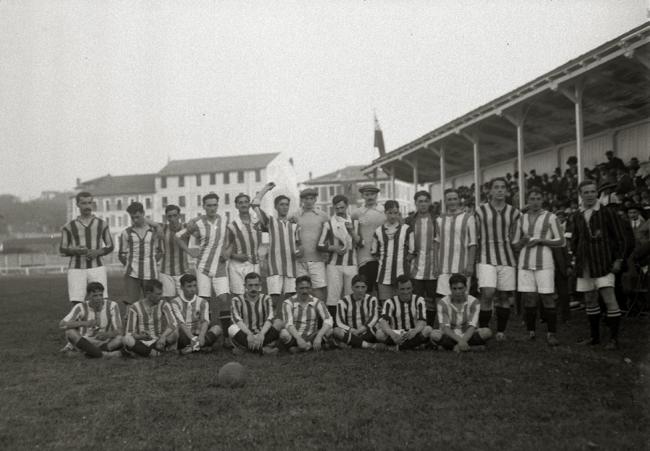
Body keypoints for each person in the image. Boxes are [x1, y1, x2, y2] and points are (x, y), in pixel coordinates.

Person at [570, 180, 627, 349]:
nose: (590, 195)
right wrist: (576, 257)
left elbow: (621, 239)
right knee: (590, 300)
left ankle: (613, 339)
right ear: (580, 194)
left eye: (593, 191)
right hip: (585, 264)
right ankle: (594, 337)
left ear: (597, 194)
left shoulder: (607, 212)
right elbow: (575, 240)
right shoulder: (577, 215)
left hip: (604, 262)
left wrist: (619, 259)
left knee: (609, 299)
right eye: (586, 192)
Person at [174, 193, 231, 340]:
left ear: (218, 205)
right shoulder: (197, 223)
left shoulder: (223, 219)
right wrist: (189, 251)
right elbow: (178, 237)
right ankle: (206, 335)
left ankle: (226, 338)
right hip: (203, 266)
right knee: (205, 301)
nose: (212, 208)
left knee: (224, 299)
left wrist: (227, 250)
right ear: (204, 206)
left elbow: (230, 238)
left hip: (219, 266)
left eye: (214, 205)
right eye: (209, 205)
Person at [513, 188, 565, 346]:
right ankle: (531, 331)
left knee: (547, 297)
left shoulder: (551, 217)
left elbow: (561, 241)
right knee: (529, 298)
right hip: (525, 263)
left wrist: (541, 241)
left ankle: (551, 333)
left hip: (545, 263)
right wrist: (523, 241)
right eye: (532, 198)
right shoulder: (521, 219)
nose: (535, 202)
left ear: (542, 200)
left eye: (538, 198)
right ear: (527, 200)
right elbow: (515, 245)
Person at [475, 177, 521, 341]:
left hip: (507, 258)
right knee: (487, 293)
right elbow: (475, 235)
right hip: (486, 257)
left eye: (503, 187)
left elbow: (516, 238)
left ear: (507, 191)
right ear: (490, 191)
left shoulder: (514, 212)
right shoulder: (480, 211)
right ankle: (483, 328)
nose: (500, 190)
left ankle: (501, 331)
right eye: (496, 187)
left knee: (503, 296)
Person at [251, 182, 301, 311]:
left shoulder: (294, 224)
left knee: (290, 301)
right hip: (275, 267)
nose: (284, 207)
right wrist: (265, 189)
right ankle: (269, 326)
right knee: (273, 300)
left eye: (286, 205)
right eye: (281, 205)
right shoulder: (270, 222)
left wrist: (299, 252)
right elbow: (254, 204)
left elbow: (299, 245)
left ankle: (287, 326)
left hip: (291, 267)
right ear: (276, 207)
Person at [60, 191, 114, 303]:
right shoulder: (69, 226)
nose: (87, 206)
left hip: (97, 267)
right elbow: (62, 249)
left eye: (89, 203)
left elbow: (110, 245)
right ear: (77, 205)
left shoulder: (102, 224)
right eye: (84, 203)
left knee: (100, 300)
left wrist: (97, 252)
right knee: (77, 302)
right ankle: (81, 321)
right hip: (76, 268)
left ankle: (99, 321)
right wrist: (74, 250)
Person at [317, 194, 361, 318]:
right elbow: (319, 245)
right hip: (333, 265)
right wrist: (334, 248)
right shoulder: (328, 224)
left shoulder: (355, 223)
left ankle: (350, 322)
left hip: (351, 264)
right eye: (337, 208)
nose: (340, 211)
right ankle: (333, 325)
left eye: (342, 208)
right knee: (333, 296)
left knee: (351, 295)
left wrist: (351, 231)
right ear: (333, 208)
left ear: (347, 206)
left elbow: (360, 242)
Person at [59, 282, 123, 358]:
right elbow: (62, 325)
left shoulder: (112, 305)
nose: (99, 298)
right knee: (69, 332)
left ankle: (88, 354)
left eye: (101, 295)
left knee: (120, 339)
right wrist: (84, 323)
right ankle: (105, 355)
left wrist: (107, 334)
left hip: (104, 341)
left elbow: (119, 330)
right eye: (95, 296)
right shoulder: (80, 307)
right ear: (88, 296)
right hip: (84, 341)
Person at [430, 274, 492, 352]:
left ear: (466, 288)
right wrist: (461, 341)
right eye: (454, 289)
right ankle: (471, 348)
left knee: (487, 332)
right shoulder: (442, 303)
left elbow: (472, 326)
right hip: (450, 335)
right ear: (450, 288)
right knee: (434, 334)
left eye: (460, 288)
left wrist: (462, 341)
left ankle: (451, 348)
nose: (457, 292)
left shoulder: (474, 302)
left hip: (468, 334)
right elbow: (445, 328)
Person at [405, 191, 439, 326]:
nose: (423, 204)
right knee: (416, 298)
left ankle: (429, 327)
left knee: (431, 299)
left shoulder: (437, 219)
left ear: (429, 202)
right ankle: (415, 326)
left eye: (425, 201)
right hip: (415, 266)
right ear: (415, 203)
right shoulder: (409, 221)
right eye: (420, 201)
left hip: (433, 265)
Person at [228, 272, 283, 355]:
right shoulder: (237, 300)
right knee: (232, 328)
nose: (253, 288)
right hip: (245, 334)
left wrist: (261, 334)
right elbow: (237, 320)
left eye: (256, 285)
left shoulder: (266, 298)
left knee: (279, 322)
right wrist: (249, 334)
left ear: (260, 285)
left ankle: (246, 349)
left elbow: (270, 318)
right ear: (245, 286)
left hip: (262, 334)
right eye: (250, 285)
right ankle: (263, 350)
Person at [436, 188, 477, 297]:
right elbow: (437, 243)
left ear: (459, 200)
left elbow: (473, 243)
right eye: (449, 199)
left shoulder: (469, 218)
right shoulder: (439, 220)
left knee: (461, 298)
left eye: (455, 199)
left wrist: (470, 265)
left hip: (462, 266)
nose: (452, 202)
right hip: (444, 266)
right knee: (443, 298)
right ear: (445, 201)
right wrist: (436, 265)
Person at [372, 200, 415, 301]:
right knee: (386, 306)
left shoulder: (407, 229)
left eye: (395, 213)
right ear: (385, 213)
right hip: (383, 276)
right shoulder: (378, 231)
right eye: (390, 213)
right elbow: (374, 252)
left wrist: (403, 262)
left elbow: (412, 251)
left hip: (402, 276)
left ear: (398, 213)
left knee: (403, 306)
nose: (392, 216)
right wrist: (385, 262)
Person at [118, 202, 161, 305]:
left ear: (143, 214)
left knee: (152, 302)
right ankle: (131, 320)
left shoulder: (153, 231)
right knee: (131, 303)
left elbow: (159, 251)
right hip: (132, 273)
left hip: (150, 273)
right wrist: (129, 264)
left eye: (137, 217)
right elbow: (121, 254)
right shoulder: (126, 232)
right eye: (132, 218)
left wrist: (152, 262)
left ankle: (151, 321)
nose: (135, 220)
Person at [291, 188, 329, 303]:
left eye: (311, 198)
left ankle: (319, 317)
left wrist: (326, 251)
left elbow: (328, 235)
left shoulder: (323, 215)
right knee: (302, 289)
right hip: (300, 259)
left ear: (315, 199)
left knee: (319, 289)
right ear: (302, 200)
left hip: (317, 259)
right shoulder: (294, 216)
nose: (308, 201)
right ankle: (304, 316)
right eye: (306, 198)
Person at [376, 275, 433, 350]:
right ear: (396, 290)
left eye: (408, 288)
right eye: (402, 289)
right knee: (379, 334)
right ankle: (415, 345)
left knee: (428, 329)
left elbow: (422, 321)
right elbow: (383, 322)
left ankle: (396, 347)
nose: (406, 292)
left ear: (412, 288)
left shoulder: (419, 300)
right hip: (397, 333)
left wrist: (414, 332)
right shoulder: (389, 302)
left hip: (413, 332)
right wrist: (392, 334)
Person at [123, 279, 178, 357]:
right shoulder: (135, 307)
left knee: (174, 333)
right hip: (141, 341)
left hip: (158, 341)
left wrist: (163, 336)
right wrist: (140, 336)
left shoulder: (163, 304)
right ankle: (155, 353)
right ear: (148, 293)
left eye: (161, 293)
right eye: (158, 294)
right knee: (127, 339)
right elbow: (129, 332)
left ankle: (142, 352)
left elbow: (173, 323)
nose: (161, 296)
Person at [170, 274, 222, 354]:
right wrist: (192, 338)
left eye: (194, 286)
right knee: (175, 333)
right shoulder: (175, 302)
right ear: (182, 287)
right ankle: (201, 347)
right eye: (189, 286)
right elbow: (181, 323)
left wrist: (201, 336)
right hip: (184, 335)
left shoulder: (203, 302)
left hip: (198, 333)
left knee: (217, 328)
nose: (193, 289)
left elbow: (205, 321)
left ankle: (191, 348)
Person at [279, 275, 333, 353]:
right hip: (295, 336)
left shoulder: (317, 302)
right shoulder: (288, 303)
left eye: (307, 288)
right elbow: (288, 324)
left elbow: (328, 320)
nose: (305, 291)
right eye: (302, 288)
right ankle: (311, 347)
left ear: (311, 289)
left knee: (330, 330)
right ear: (296, 289)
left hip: (312, 336)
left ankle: (299, 349)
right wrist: (299, 339)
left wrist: (319, 336)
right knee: (284, 333)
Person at [332, 275, 385, 350]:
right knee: (336, 331)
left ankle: (352, 343)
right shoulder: (343, 301)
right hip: (351, 332)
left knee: (379, 325)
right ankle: (370, 345)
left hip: (367, 332)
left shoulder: (372, 299)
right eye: (357, 287)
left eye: (363, 287)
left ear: (366, 288)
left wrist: (360, 330)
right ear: (352, 288)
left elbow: (373, 318)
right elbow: (340, 322)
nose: (360, 290)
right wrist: (352, 330)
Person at [226, 193, 262, 297]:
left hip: (254, 263)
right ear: (236, 206)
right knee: (239, 296)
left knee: (255, 295)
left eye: (246, 202)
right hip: (238, 265)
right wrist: (234, 256)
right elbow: (224, 249)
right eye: (240, 203)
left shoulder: (257, 222)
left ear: (249, 204)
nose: (244, 205)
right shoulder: (231, 226)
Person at [351, 184, 385, 294]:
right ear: (362, 196)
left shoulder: (384, 211)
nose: (370, 197)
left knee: (380, 285)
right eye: (367, 194)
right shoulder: (357, 213)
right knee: (366, 286)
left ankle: (379, 309)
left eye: (372, 194)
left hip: (381, 254)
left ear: (377, 195)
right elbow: (351, 232)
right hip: (364, 255)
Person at [158, 204, 188, 300]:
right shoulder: (163, 228)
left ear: (179, 216)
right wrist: (156, 226)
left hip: (183, 270)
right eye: (169, 216)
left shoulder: (186, 227)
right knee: (169, 301)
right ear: (166, 217)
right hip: (166, 271)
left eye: (175, 215)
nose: (172, 218)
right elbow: (146, 221)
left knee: (184, 300)